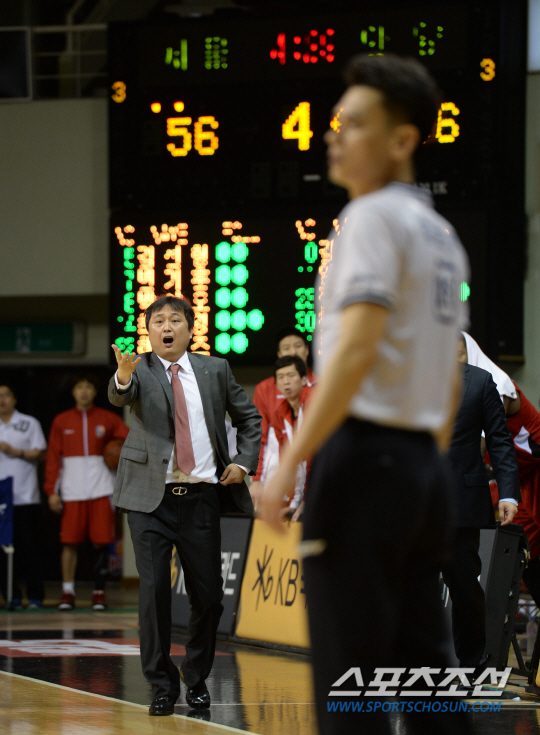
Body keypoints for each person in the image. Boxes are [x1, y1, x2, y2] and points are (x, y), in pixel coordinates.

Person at [260, 54, 473, 735]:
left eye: (354, 123)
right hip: (423, 468)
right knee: (428, 679)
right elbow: (448, 376)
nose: (335, 135)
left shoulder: (371, 217)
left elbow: (354, 351)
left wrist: (289, 467)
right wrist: (423, 462)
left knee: (350, 687)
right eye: (336, 122)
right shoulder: (443, 236)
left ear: (403, 139)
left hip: (364, 460)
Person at [109, 295, 261, 716]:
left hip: (201, 499)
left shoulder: (216, 370)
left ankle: (195, 677)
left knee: (209, 597)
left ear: (190, 330)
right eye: (158, 321)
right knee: (154, 592)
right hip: (150, 501)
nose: (166, 326)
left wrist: (243, 462)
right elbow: (121, 395)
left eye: (175, 320)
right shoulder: (139, 369)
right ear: (149, 331)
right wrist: (122, 377)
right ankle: (161, 685)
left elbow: (249, 419)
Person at [442, 340, 520, 671]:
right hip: (414, 502)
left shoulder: (479, 381)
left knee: (463, 585)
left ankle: (472, 665)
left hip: (462, 500)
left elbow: (500, 441)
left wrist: (508, 494)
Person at [44, 374, 129, 611]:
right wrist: (52, 491)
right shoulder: (61, 421)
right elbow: (53, 458)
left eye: (88, 387)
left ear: (95, 391)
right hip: (72, 490)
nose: (84, 391)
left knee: (101, 542)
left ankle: (99, 592)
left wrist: (118, 456)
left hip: (102, 489)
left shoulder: (108, 418)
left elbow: (131, 440)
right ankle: (67, 592)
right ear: (73, 392)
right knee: (69, 543)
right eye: (79, 387)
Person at [250, 328, 316, 509]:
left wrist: (306, 499)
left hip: (318, 480)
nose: (293, 352)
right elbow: (260, 435)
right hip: (285, 481)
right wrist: (257, 478)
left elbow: (313, 452)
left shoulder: (318, 391)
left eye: (298, 346)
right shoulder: (280, 407)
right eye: (281, 377)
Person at [0, 384, 47, 609]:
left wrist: (15, 451)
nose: (2, 400)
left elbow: (41, 453)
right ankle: (12, 596)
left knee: (30, 548)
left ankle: (35, 596)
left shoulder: (29, 423)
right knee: (4, 550)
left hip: (25, 496)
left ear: (14, 399)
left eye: (6, 395)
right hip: (2, 501)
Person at [264, 356, 314, 522]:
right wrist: (294, 503)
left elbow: (313, 456)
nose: (286, 381)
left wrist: (306, 500)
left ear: (304, 380)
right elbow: (291, 462)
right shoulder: (279, 414)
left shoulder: (313, 400)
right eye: (281, 377)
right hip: (309, 488)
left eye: (291, 375)